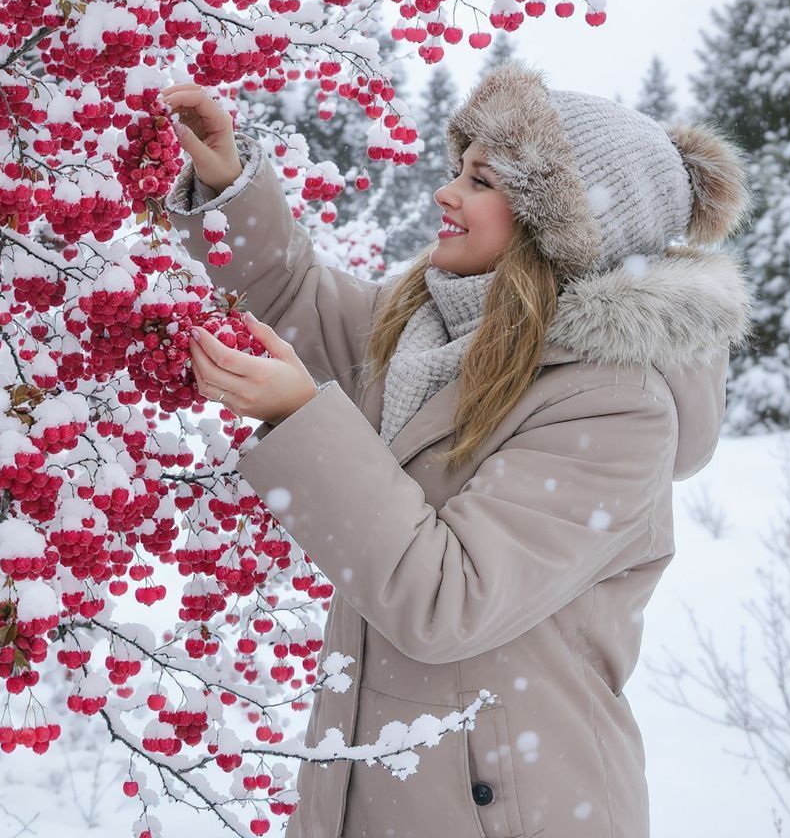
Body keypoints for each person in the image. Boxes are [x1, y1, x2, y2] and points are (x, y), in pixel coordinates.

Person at [161, 58, 754, 838]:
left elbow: (448, 600)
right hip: (383, 794)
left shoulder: (615, 408)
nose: (446, 193)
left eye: (481, 181)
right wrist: (228, 185)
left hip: (515, 812)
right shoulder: (434, 335)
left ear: (557, 223)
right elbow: (295, 298)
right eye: (458, 171)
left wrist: (304, 417)